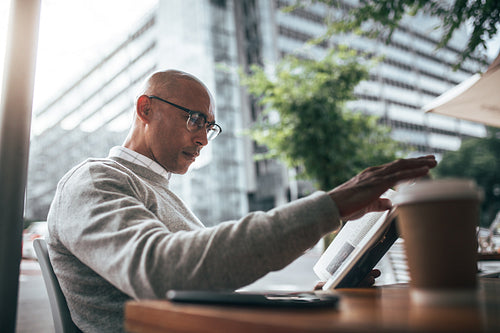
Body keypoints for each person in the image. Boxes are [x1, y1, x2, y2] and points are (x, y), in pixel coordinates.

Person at [46, 69, 437, 332]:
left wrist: (310, 299)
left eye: (208, 126)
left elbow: (202, 294)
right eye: (194, 119)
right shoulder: (96, 179)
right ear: (145, 109)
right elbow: (163, 274)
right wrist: (328, 207)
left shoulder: (159, 191)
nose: (202, 138)